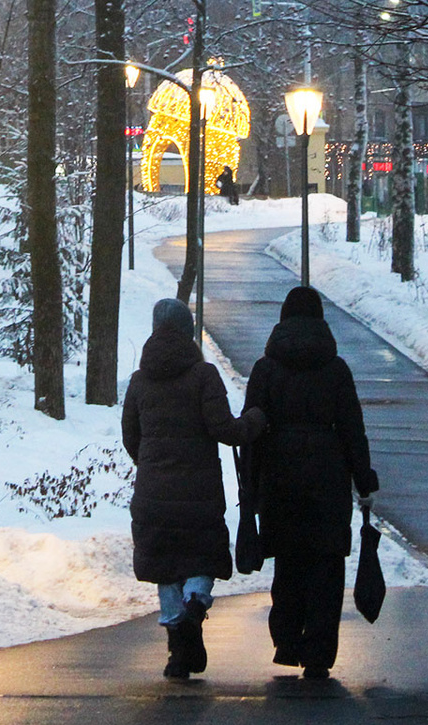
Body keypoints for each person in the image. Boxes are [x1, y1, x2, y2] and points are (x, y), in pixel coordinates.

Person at [122, 298, 266, 679]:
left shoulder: (139, 382)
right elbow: (225, 430)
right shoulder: (204, 376)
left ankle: (177, 653)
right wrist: (255, 420)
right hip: (199, 495)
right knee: (201, 560)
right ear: (188, 331)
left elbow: (130, 438)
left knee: (166, 567)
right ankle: (194, 606)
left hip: (153, 495)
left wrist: (153, 466)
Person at [241, 287, 379, 680]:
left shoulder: (265, 369)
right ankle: (318, 652)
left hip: (279, 476)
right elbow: (353, 428)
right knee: (326, 563)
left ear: (283, 320)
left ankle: (286, 641)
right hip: (328, 479)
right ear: (321, 321)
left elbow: (252, 427)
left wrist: (250, 486)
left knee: (288, 560)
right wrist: (363, 478)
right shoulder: (336, 370)